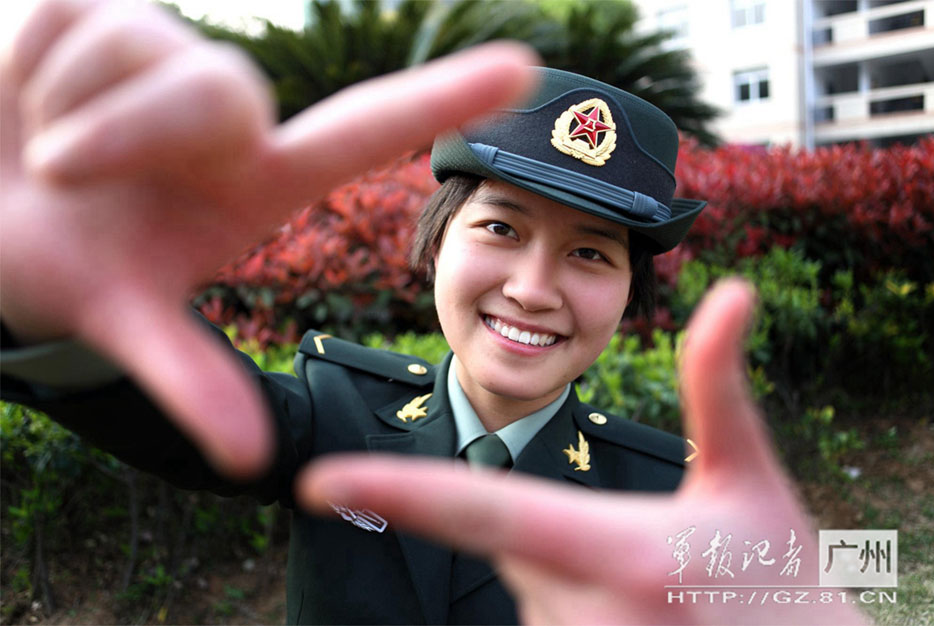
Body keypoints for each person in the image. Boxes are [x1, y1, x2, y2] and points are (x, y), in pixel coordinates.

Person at [1, 1, 865, 624]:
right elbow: (163, 415)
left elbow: (844, 572)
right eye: (501, 229)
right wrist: (57, 302)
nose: (533, 288)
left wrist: (809, 598)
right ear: (435, 243)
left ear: (628, 295)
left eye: (590, 254)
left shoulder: (668, 493)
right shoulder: (333, 411)